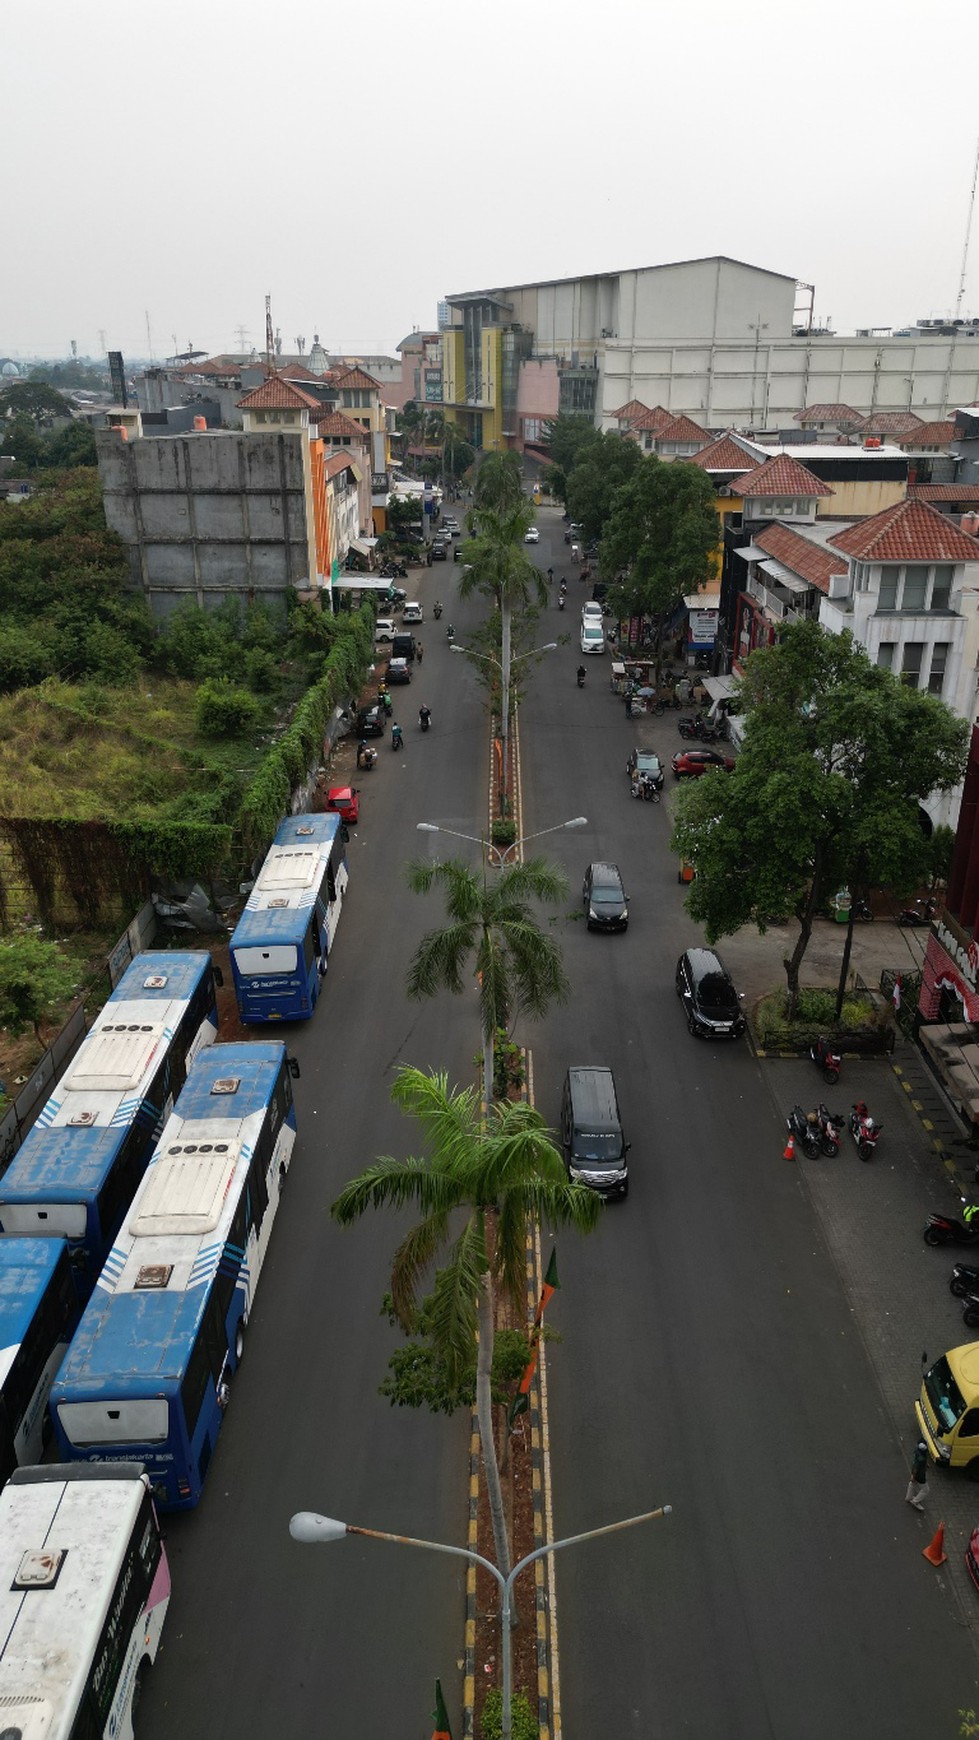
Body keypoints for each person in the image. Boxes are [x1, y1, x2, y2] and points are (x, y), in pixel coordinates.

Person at [905, 1440, 929, 1511]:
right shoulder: (921, 1459)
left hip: (915, 1474)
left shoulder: (917, 1452)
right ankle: (915, 1501)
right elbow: (916, 1467)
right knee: (925, 1489)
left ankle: (908, 1497)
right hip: (920, 1475)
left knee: (912, 1483)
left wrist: (913, 1476)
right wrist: (913, 1475)